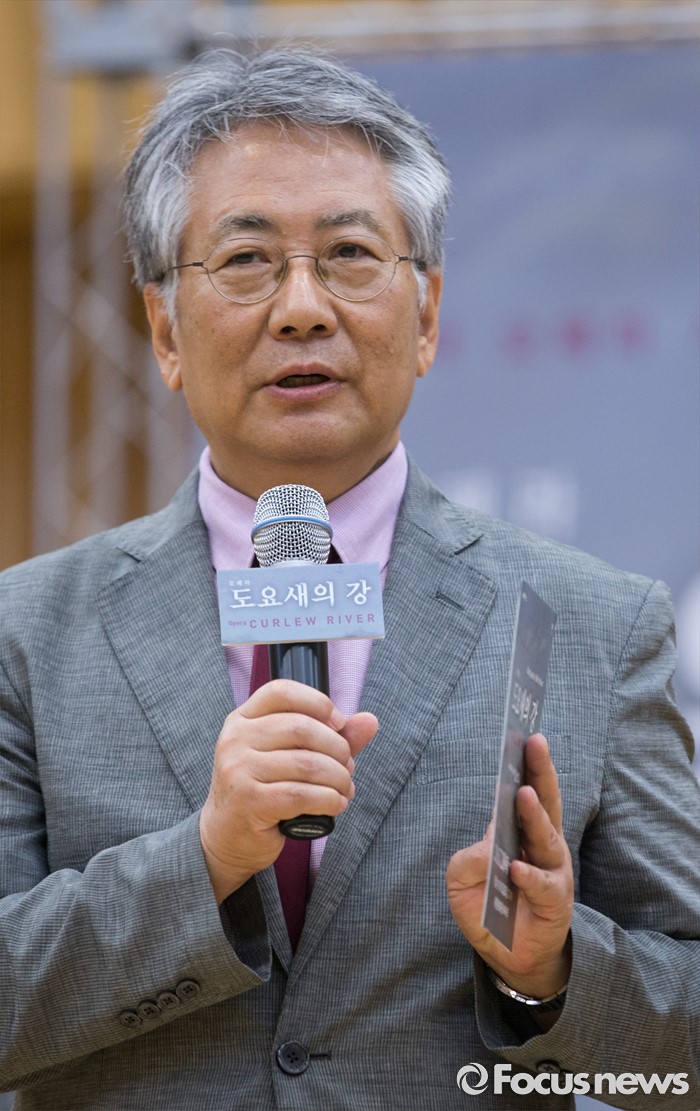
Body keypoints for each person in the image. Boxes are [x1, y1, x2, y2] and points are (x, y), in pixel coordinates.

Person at [0, 47, 698, 1111]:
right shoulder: (27, 632)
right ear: (164, 329)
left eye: (349, 254)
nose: (301, 308)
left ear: (427, 316)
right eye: (246, 259)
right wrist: (202, 860)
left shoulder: (594, 624)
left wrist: (553, 971)